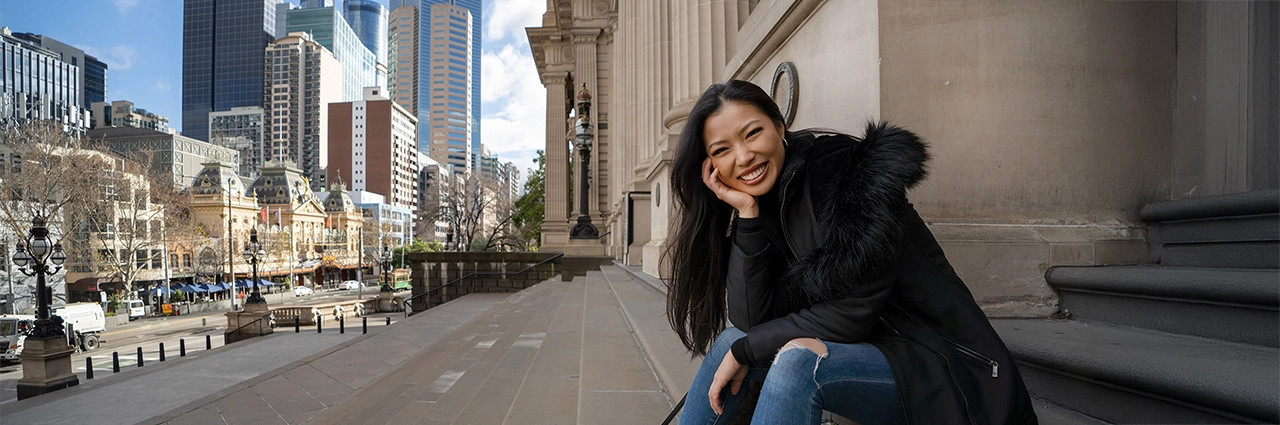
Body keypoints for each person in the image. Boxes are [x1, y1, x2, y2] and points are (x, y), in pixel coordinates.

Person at [665, 80, 1038, 424]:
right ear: (710, 166)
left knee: (795, 363)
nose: (743, 157)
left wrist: (748, 349)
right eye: (723, 150)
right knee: (734, 340)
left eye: (753, 133)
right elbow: (750, 321)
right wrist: (746, 216)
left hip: (946, 368)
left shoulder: (839, 172)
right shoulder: (768, 204)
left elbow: (852, 312)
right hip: (874, 355)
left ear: (779, 127)